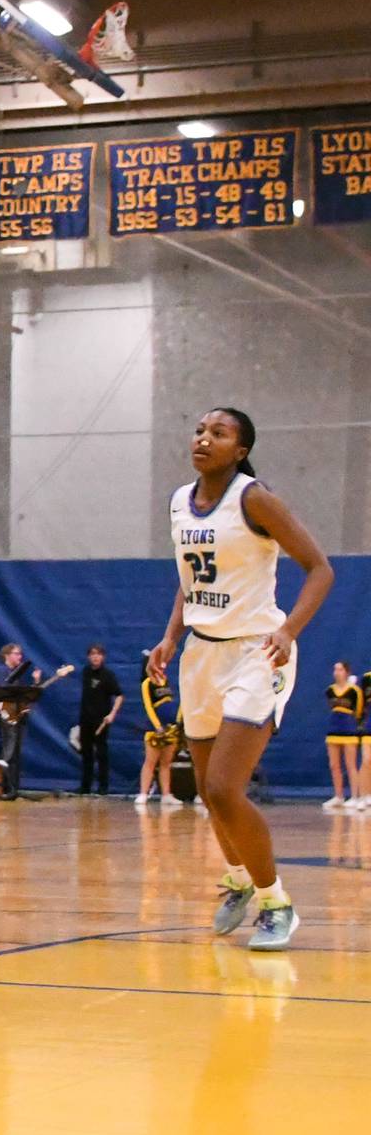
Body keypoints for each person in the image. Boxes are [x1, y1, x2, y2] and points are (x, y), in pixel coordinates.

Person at [148, 407, 333, 952]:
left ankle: (276, 902)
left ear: (241, 449)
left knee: (227, 788)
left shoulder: (256, 500)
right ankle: (238, 879)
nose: (204, 439)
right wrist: (171, 635)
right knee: (208, 791)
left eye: (219, 433)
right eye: (200, 430)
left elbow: (320, 568)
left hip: (257, 652)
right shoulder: (180, 501)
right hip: (201, 654)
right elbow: (191, 578)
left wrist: (290, 631)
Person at [0, 643, 40, 800]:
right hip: (6, 717)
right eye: (17, 653)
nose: (20, 657)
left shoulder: (15, 675)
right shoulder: (2, 671)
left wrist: (36, 683)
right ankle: (6, 787)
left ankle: (13, 787)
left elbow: (22, 696)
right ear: (7, 655)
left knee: (15, 753)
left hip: (17, 717)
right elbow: (4, 693)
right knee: (8, 751)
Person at [135, 663, 184, 808]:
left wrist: (176, 723)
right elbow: (148, 706)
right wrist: (157, 726)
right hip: (155, 729)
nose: (160, 669)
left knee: (166, 763)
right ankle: (143, 793)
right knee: (150, 762)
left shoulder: (166, 681)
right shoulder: (147, 683)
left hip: (170, 728)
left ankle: (166, 795)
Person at [77, 644, 123, 796]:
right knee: (86, 754)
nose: (95, 657)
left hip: (101, 721)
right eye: (92, 654)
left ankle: (103, 787)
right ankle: (85, 787)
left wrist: (112, 714)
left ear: (103, 657)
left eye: (98, 654)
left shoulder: (108, 675)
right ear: (88, 656)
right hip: (85, 720)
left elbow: (119, 695)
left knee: (102, 754)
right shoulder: (86, 672)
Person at [323, 661, 362, 811]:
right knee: (334, 765)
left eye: (339, 669)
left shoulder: (354, 691)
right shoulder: (330, 690)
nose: (336, 672)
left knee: (350, 765)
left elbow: (358, 710)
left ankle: (354, 796)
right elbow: (330, 707)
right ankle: (338, 796)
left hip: (349, 731)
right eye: (335, 669)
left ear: (346, 672)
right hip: (333, 731)